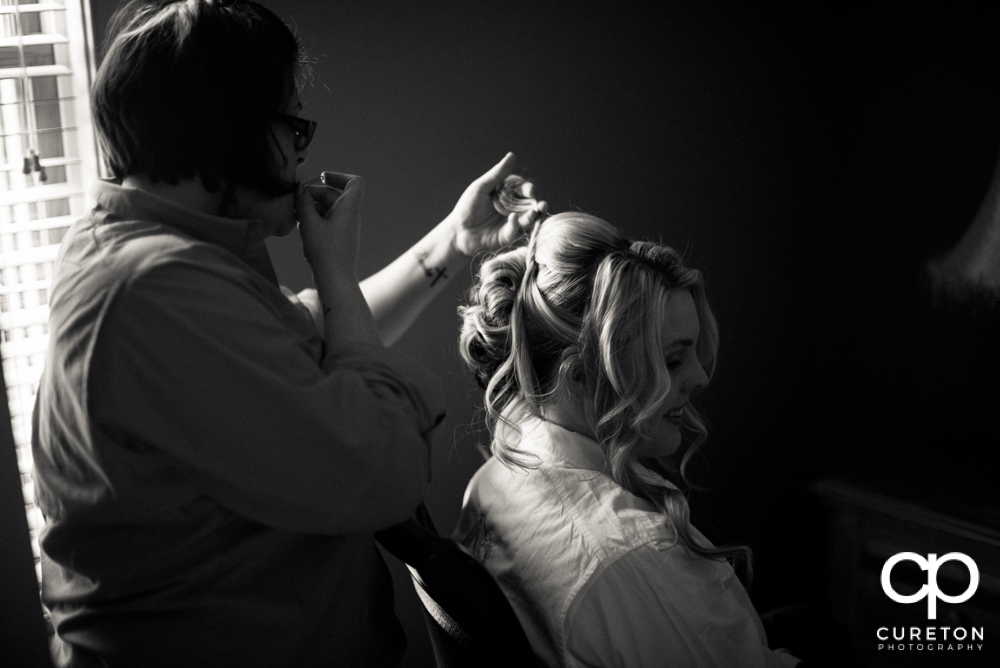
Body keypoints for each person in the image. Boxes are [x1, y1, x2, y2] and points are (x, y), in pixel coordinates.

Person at [30, 1, 543, 666]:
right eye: (291, 127)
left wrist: (453, 239)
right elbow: (380, 465)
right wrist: (335, 268)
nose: (301, 154)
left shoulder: (136, 245)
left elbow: (309, 341)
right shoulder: (157, 288)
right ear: (230, 128)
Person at [453, 212, 801, 667]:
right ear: (578, 376)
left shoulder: (493, 478)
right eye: (673, 361)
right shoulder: (631, 561)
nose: (699, 377)